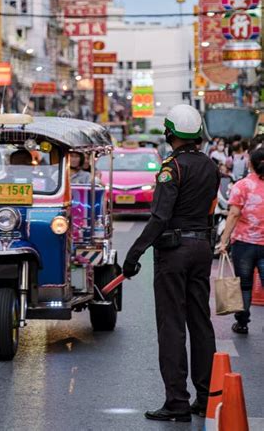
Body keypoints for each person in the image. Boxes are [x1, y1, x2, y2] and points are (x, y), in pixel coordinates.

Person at [123, 104, 220, 423]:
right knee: (200, 323)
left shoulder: (171, 168)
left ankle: (177, 401)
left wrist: (134, 253)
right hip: (202, 248)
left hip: (174, 252)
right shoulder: (211, 166)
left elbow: (160, 217)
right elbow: (208, 210)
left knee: (172, 326)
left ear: (169, 133)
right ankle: (206, 397)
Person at [218, 147, 264, 334]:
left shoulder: (242, 186)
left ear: (250, 164)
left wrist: (224, 240)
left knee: (244, 285)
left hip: (244, 244)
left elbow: (234, 214)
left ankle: (242, 322)